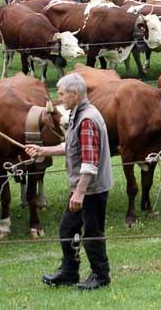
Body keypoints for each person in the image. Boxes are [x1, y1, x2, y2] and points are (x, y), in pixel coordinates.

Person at [28, 74, 112, 291]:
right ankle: (69, 272)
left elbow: (90, 163)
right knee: (68, 228)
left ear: (75, 94)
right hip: (84, 188)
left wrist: (79, 193)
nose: (59, 96)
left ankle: (101, 276)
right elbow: (71, 145)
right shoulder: (79, 113)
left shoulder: (87, 120)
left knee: (92, 233)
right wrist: (43, 150)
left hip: (91, 189)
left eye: (62, 92)